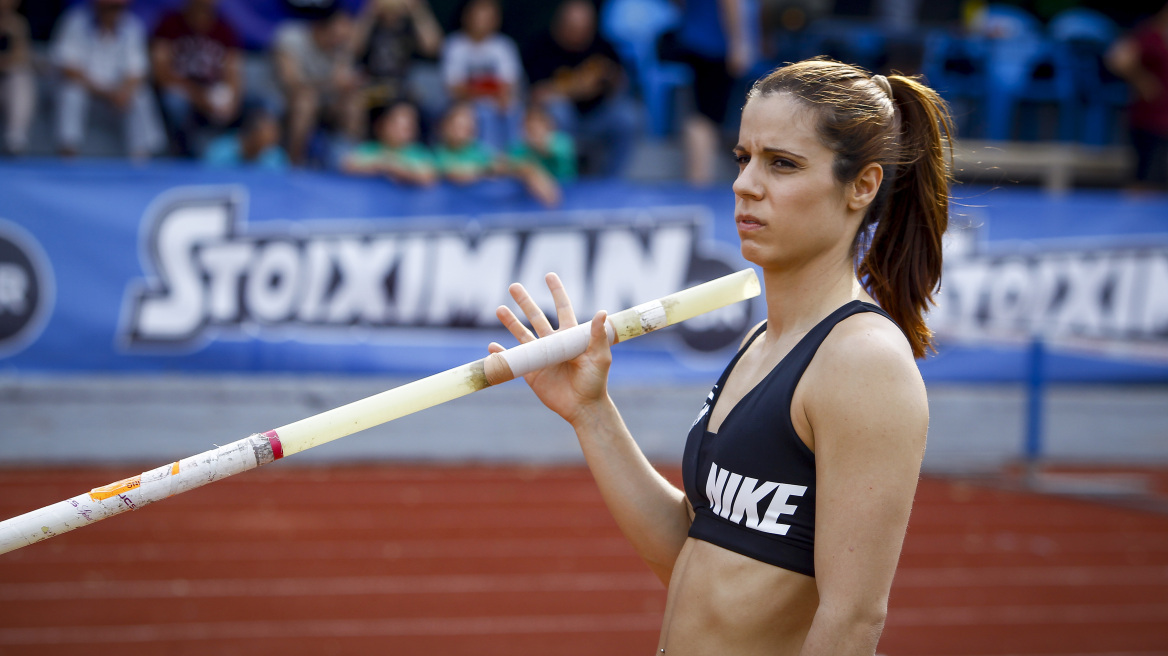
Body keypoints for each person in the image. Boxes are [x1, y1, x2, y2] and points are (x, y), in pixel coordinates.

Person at [488, 57, 952, 653]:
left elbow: (852, 620)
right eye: (743, 158)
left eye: (782, 163)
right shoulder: (759, 343)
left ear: (861, 186)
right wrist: (591, 412)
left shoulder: (863, 362)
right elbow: (693, 551)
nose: (745, 184)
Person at [524, 0, 641, 177]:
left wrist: (611, 76)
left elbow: (622, 85)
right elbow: (536, 95)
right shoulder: (541, 47)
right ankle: (563, 176)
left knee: (629, 116)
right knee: (559, 110)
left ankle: (611, 182)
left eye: (585, 29)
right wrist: (578, 86)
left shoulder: (601, 45)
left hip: (597, 117)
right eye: (574, 29)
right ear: (560, 25)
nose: (580, 35)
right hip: (561, 123)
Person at [50, 0, 165, 159]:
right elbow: (67, 68)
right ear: (97, 7)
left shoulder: (132, 26)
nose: (115, 13)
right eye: (110, 8)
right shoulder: (75, 21)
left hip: (117, 95)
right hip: (89, 89)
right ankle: (68, 150)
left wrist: (124, 91)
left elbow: (137, 71)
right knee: (71, 92)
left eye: (119, 8)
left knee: (140, 94)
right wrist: (106, 92)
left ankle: (142, 156)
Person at [660, 0, 754, 185]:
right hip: (714, 46)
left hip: (693, 40)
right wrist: (738, 43)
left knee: (699, 116)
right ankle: (700, 181)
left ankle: (698, 180)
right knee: (706, 119)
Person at [151, 0, 244, 157]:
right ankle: (185, 158)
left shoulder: (225, 29)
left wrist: (232, 101)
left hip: (213, 95)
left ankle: (229, 158)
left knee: (260, 105)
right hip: (184, 93)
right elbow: (161, 74)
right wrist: (200, 97)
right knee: (175, 102)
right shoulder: (169, 24)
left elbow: (234, 74)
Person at [272, 7, 364, 166]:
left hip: (328, 101)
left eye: (343, 37)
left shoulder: (342, 46)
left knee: (354, 102)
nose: (339, 41)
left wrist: (350, 84)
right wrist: (330, 82)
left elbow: (342, 80)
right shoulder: (290, 37)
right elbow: (291, 82)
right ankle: (294, 163)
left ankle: (352, 161)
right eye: (335, 36)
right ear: (319, 28)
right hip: (287, 98)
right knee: (306, 101)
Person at [440, 0, 523, 152]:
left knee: (513, 109)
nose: (481, 20)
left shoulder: (504, 46)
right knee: (483, 111)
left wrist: (475, 88)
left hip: (499, 103)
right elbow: (454, 88)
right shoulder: (454, 45)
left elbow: (509, 85)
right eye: (477, 15)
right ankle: (486, 160)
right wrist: (489, 91)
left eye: (487, 16)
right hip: (463, 104)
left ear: (496, 20)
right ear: (466, 17)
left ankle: (513, 158)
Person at [351, 0, 444, 125]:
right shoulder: (372, 23)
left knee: (419, 101)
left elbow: (433, 47)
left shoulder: (409, 24)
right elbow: (353, 47)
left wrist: (417, 10)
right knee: (353, 106)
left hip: (402, 87)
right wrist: (369, 13)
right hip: (373, 87)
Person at [1107, 3, 1168, 192]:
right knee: (1146, 181)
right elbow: (1118, 59)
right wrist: (1142, 81)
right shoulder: (1148, 34)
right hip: (1152, 114)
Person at [341, 100, 437, 185]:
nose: (401, 130)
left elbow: (428, 177)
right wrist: (378, 165)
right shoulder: (370, 148)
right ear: (381, 126)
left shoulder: (418, 153)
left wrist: (398, 169)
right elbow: (348, 166)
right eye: (396, 124)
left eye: (408, 126)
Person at [507, 103, 576, 206]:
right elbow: (507, 164)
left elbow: (551, 152)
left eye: (539, 126)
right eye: (529, 128)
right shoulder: (519, 148)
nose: (535, 132)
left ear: (549, 126)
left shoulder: (562, 142)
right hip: (529, 202)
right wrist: (531, 171)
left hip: (569, 196)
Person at [432, 100, 502, 185]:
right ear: (445, 127)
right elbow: (454, 173)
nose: (459, 132)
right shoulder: (437, 153)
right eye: (456, 127)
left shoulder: (479, 151)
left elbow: (499, 165)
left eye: (465, 127)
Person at [203, 107, 289, 170]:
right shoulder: (219, 151)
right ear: (252, 134)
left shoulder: (275, 156)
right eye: (267, 136)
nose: (272, 141)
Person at [0, 0, 34, 156]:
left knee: (21, 77)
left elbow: (21, 57)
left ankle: (15, 140)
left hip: (5, 81)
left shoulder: (17, 23)